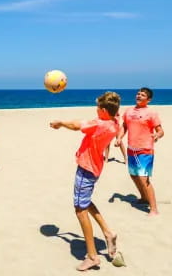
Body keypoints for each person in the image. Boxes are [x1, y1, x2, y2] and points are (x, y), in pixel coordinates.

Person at [50, 92, 120, 271]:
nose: (95, 110)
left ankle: (92, 256)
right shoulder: (114, 122)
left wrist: (60, 123)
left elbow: (76, 125)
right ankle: (108, 232)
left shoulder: (99, 124)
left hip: (86, 169)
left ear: (103, 110)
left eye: (98, 107)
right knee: (86, 201)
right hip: (96, 168)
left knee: (80, 209)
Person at [115, 87, 164, 216]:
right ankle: (143, 198)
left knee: (143, 178)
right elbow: (124, 126)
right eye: (138, 93)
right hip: (132, 149)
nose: (139, 96)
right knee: (134, 175)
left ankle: (154, 209)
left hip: (145, 150)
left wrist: (157, 135)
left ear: (149, 100)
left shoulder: (151, 113)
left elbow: (160, 131)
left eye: (143, 95)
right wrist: (119, 138)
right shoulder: (129, 111)